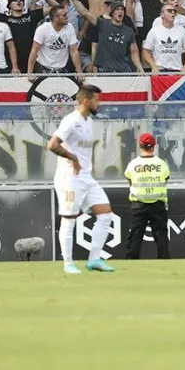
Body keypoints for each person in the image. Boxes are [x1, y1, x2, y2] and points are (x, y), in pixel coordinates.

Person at [47, 84, 116, 274]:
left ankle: (94, 259)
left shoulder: (89, 122)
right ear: (86, 101)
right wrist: (73, 158)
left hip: (86, 177)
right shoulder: (71, 121)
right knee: (69, 219)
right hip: (69, 177)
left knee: (105, 214)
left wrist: (89, 167)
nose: (99, 104)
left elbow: (85, 149)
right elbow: (52, 145)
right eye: (97, 100)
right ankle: (68, 263)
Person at [124, 132, 171, 260]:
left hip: (139, 204)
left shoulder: (133, 164)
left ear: (140, 145)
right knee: (161, 236)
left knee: (135, 236)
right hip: (157, 204)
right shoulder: (161, 164)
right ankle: (164, 262)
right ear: (154, 146)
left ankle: (131, 263)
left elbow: (130, 181)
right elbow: (165, 180)